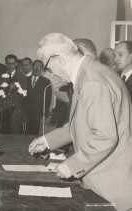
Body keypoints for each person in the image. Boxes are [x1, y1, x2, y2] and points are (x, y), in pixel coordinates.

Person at [28, 33, 132, 211]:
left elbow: (105, 137)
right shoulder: (91, 71)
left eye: (47, 67)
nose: (51, 73)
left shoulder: (92, 81)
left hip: (109, 184)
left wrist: (71, 165)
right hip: (102, 175)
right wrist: (48, 140)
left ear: (59, 59)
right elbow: (81, 121)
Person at [25, 60, 51, 135]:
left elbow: (48, 100)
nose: (37, 68)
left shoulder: (46, 81)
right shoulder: (25, 79)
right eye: (35, 66)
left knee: (33, 134)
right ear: (32, 67)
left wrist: (44, 115)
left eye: (40, 67)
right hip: (24, 112)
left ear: (42, 69)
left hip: (37, 113)